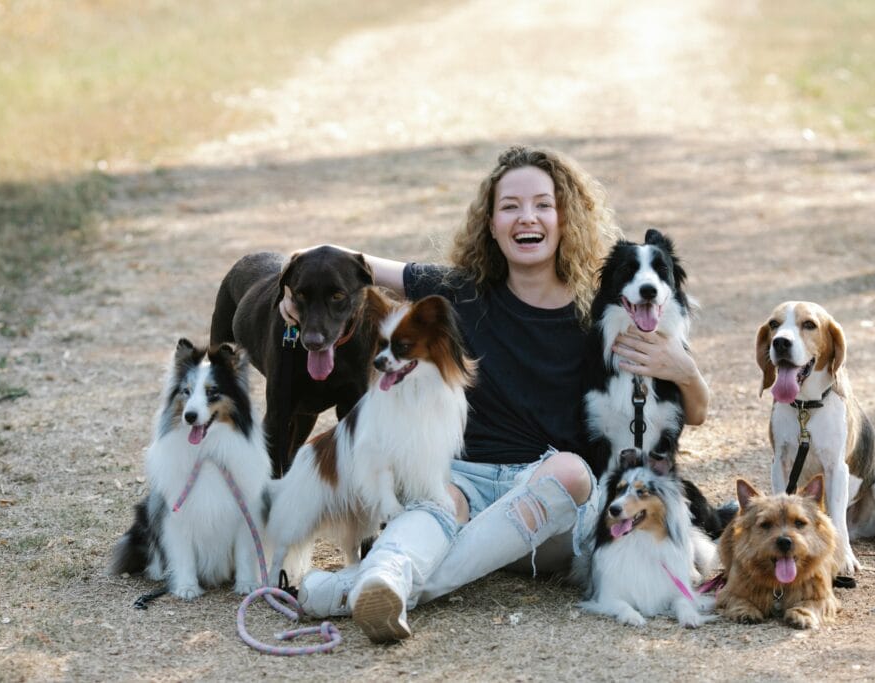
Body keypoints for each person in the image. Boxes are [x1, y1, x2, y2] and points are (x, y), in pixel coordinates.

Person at [280, 145, 710, 642]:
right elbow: (351, 264)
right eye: (510, 206)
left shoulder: (602, 310)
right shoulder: (461, 290)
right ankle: (385, 580)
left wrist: (686, 370)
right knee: (435, 495)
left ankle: (349, 588)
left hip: (547, 506)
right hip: (469, 484)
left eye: (542, 204)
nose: (527, 217)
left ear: (565, 216)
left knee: (570, 471)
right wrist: (294, 282)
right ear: (490, 223)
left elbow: (693, 413)